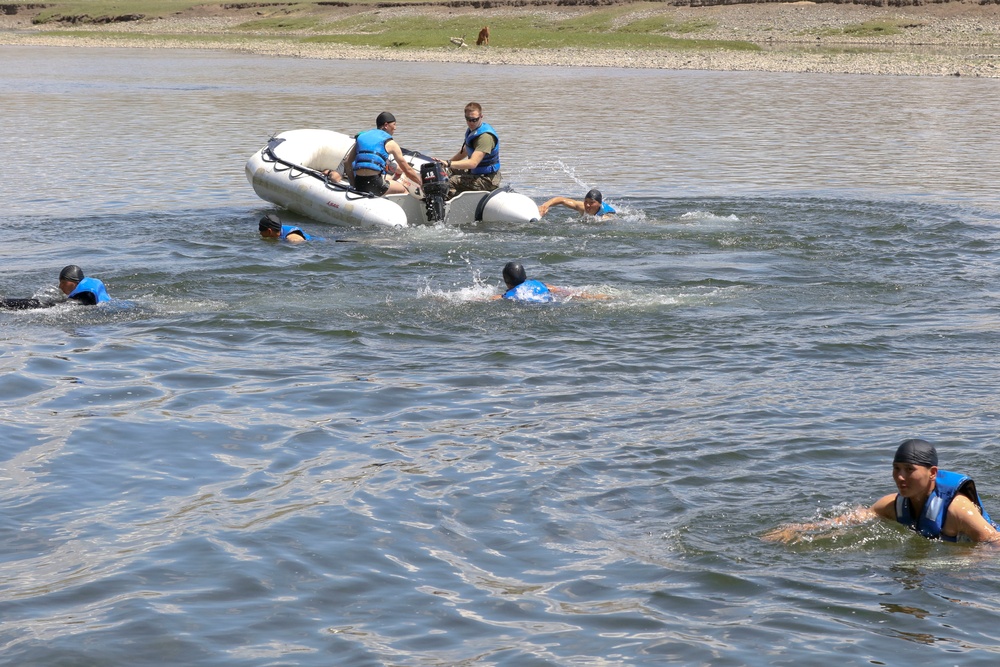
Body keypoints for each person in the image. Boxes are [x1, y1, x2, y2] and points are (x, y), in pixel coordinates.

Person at [764, 438, 1000, 544]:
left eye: (909, 469)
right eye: (896, 468)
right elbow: (849, 520)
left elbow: (993, 543)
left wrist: (958, 566)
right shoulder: (893, 505)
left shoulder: (958, 510)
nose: (900, 477)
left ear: (932, 473)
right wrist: (798, 531)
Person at [349, 112, 421, 197]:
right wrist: (421, 184)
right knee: (404, 190)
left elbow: (347, 162)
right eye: (394, 124)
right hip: (375, 184)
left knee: (389, 178)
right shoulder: (391, 143)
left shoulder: (362, 137)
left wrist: (353, 185)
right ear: (386, 125)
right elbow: (407, 170)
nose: (395, 128)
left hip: (359, 183)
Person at [438, 102, 501, 200]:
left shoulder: (485, 137)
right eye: (468, 119)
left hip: (487, 179)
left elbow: (473, 163)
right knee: (444, 172)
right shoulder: (473, 131)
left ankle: (452, 203)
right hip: (476, 173)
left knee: (449, 182)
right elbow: (465, 151)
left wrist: (449, 163)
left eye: (474, 120)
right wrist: (444, 165)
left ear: (481, 117)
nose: (471, 122)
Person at [1, 265, 110, 310]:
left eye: (63, 282)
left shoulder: (85, 296)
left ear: (73, 282)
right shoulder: (89, 291)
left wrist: (5, 303)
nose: (60, 286)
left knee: (41, 304)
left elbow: (48, 306)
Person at [494, 262, 607, 303]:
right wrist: (589, 296)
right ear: (525, 276)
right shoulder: (540, 284)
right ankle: (598, 297)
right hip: (550, 303)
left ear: (506, 282)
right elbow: (566, 292)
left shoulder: (506, 296)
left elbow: (488, 299)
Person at [538, 189, 616, 219]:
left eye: (592, 203)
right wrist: (545, 205)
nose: (587, 205)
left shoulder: (606, 216)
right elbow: (562, 200)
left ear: (599, 204)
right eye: (586, 201)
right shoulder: (582, 206)